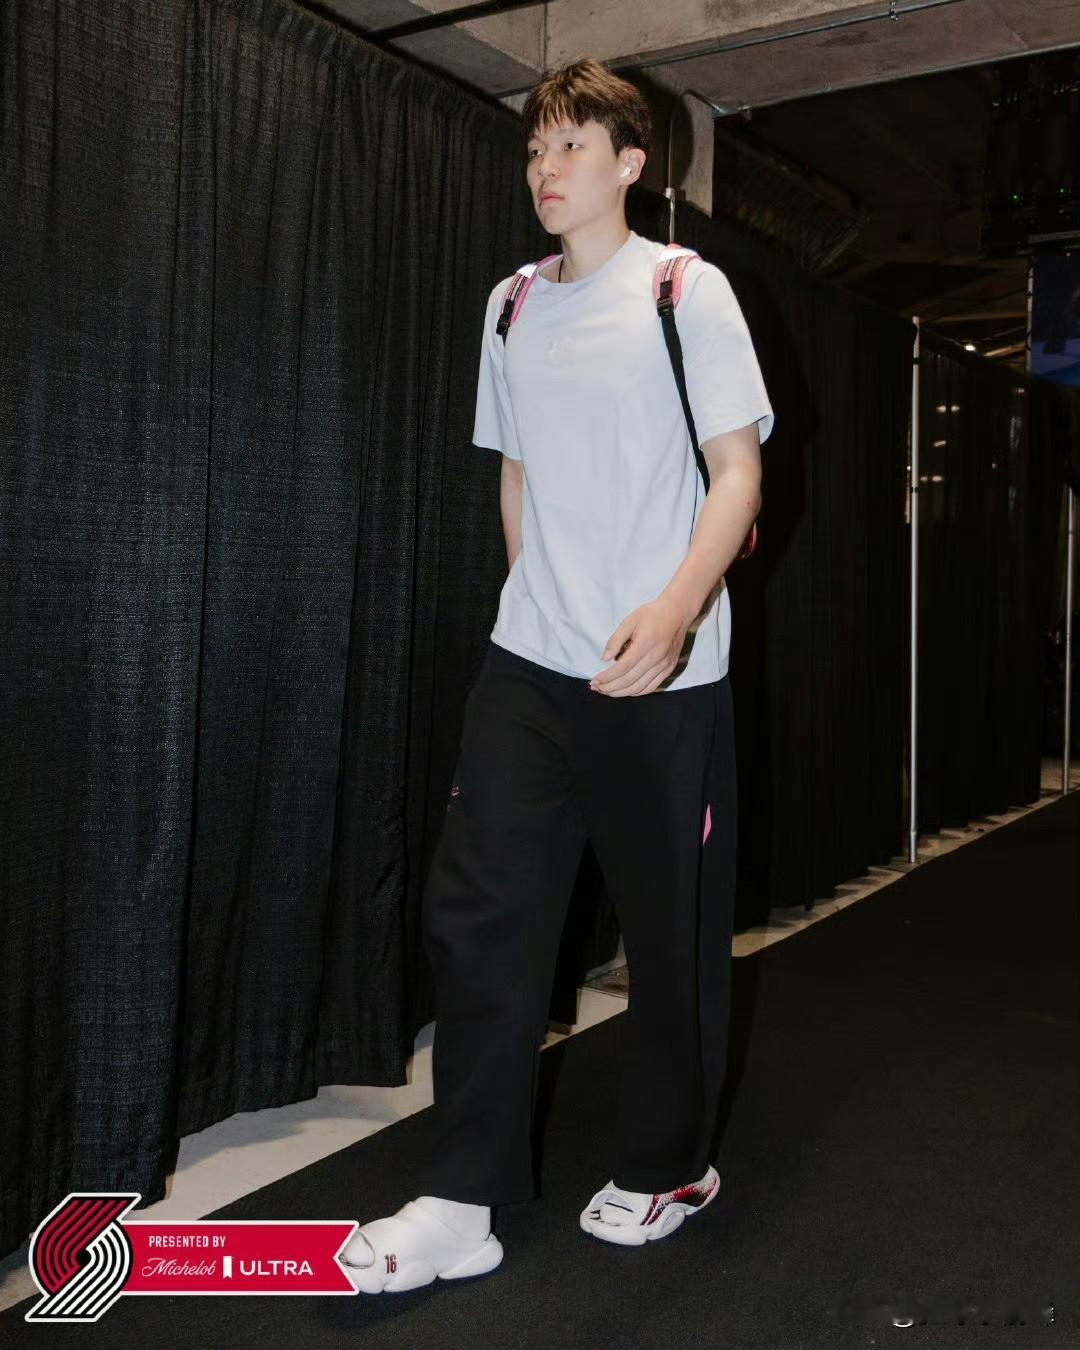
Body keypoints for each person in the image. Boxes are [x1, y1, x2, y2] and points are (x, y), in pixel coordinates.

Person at [341, 56, 774, 1294]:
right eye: (537, 148)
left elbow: (738, 474)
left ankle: (670, 1165)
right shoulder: (511, 304)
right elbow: (516, 469)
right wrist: (537, 597)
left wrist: (675, 611)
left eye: (573, 146)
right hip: (530, 665)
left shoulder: (685, 290)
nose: (547, 167)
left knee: (669, 933)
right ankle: (460, 1197)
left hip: (664, 672)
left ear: (631, 164)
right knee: (478, 915)